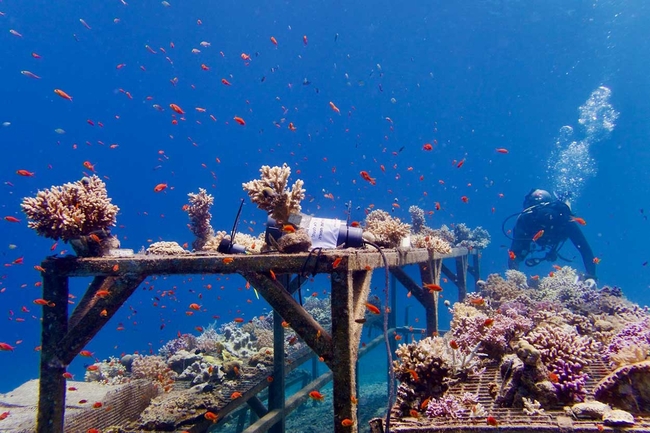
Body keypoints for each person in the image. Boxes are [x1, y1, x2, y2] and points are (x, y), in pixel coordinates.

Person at [506, 189, 597, 280]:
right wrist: (591, 276)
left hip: (552, 229)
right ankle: (565, 198)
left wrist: (515, 280)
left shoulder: (525, 220)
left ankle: (565, 198)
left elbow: (514, 254)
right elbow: (585, 250)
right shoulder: (563, 218)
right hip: (559, 228)